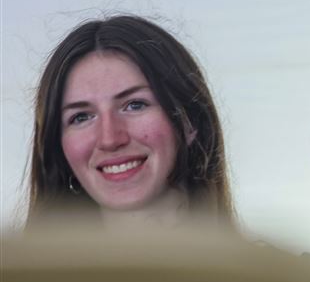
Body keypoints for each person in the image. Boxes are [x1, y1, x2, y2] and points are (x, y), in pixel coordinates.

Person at [26, 14, 235, 231]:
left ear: (190, 120)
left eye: (135, 105)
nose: (110, 139)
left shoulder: (266, 265)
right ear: (58, 146)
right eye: (81, 117)